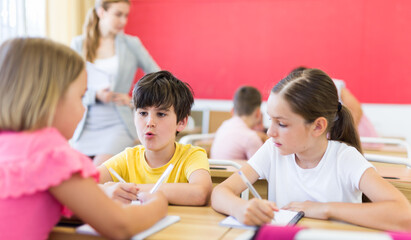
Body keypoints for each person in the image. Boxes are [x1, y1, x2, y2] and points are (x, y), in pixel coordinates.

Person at [0, 38, 168, 240]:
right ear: (52, 100)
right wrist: (158, 204)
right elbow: (120, 225)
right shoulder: (49, 152)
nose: (84, 108)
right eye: (81, 97)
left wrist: (99, 194)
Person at [211, 68, 411, 231]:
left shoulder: (345, 159)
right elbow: (220, 191)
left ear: (317, 126)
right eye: (270, 120)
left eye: (281, 124)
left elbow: (404, 215)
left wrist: (324, 209)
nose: (270, 132)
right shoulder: (273, 150)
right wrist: (240, 207)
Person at [98, 71, 213, 206]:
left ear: (181, 122)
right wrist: (106, 190)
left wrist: (128, 191)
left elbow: (200, 193)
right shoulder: (128, 158)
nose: (149, 122)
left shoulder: (191, 155)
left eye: (161, 114)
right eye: (143, 113)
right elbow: (82, 185)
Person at [70, 0, 160, 166]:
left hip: (119, 123)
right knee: (74, 171)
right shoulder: (78, 44)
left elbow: (159, 78)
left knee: (98, 171)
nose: (123, 21)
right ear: (101, 12)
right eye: (118, 14)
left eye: (126, 15)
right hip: (83, 124)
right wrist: (96, 95)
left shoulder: (131, 44)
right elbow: (68, 86)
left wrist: (135, 101)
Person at [291, 66, 378, 137]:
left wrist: (348, 133)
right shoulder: (303, 99)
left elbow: (356, 109)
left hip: (354, 126)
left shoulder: (335, 86)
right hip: (331, 130)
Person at [210, 86, 267, 160]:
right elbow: (262, 168)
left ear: (232, 111)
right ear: (258, 113)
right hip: (235, 171)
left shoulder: (224, 126)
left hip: (214, 170)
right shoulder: (251, 138)